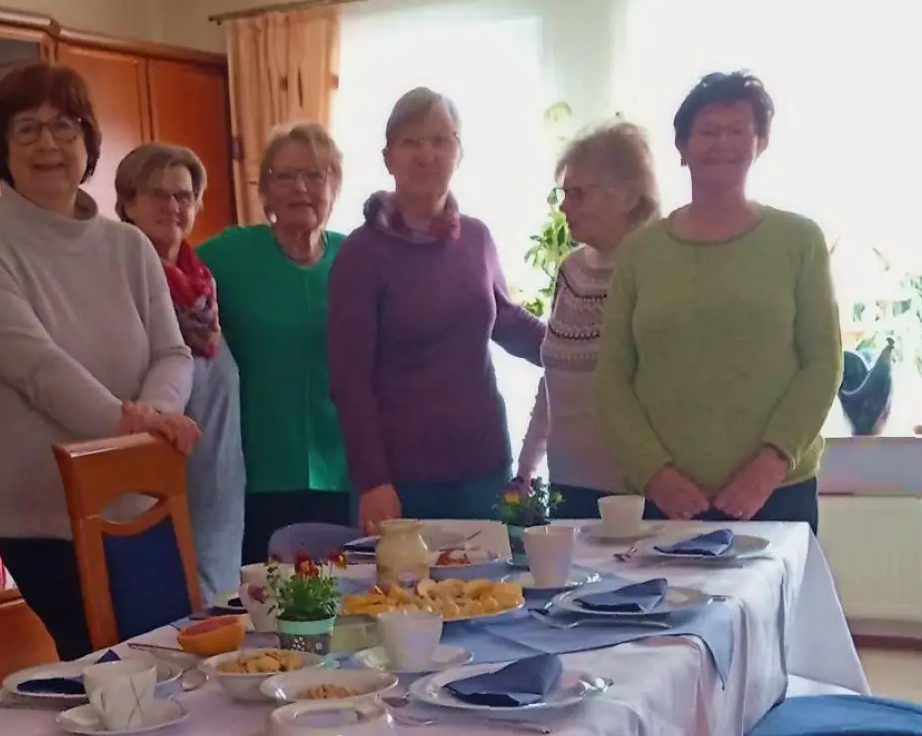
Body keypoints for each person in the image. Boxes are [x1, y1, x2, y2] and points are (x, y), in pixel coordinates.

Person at [0, 62, 198, 661]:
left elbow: (173, 352)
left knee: (170, 666)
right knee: (112, 676)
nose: (48, 144)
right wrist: (137, 428)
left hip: (141, 498)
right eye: (26, 130)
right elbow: (38, 369)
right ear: (2, 148)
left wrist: (150, 419)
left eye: (64, 126)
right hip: (43, 514)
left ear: (88, 143)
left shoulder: (127, 244)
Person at [596, 71, 842, 530]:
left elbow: (823, 364)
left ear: (760, 143)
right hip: (666, 498)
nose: (722, 144)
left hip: (776, 492)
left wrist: (768, 468)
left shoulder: (799, 240)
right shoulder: (640, 251)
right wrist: (656, 474)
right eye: (707, 132)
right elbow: (612, 378)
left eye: (738, 131)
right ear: (683, 148)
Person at [328, 88, 545, 533]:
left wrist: (586, 345)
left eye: (442, 140)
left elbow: (505, 320)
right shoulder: (361, 253)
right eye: (412, 142)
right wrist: (373, 481)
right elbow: (349, 381)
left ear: (459, 153)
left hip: (483, 466)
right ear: (388, 158)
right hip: (401, 479)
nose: (427, 154)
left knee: (492, 596)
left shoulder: (477, 238)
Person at [197, 122, 354, 564]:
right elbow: (162, 281)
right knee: (264, 607)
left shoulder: (356, 258)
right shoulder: (229, 254)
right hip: (253, 468)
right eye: (283, 177)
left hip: (343, 468)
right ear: (264, 191)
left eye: (314, 175)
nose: (299, 188)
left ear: (333, 185)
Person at [114, 143, 246, 604]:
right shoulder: (120, 284)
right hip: (155, 505)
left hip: (219, 501)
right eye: (157, 194)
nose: (173, 206)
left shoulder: (203, 288)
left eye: (183, 196)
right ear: (128, 204)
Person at [513, 121, 662, 520]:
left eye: (578, 195)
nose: (564, 207)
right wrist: (526, 469)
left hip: (638, 494)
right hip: (567, 488)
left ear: (629, 196)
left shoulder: (659, 267)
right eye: (565, 194)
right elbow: (553, 376)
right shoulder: (571, 270)